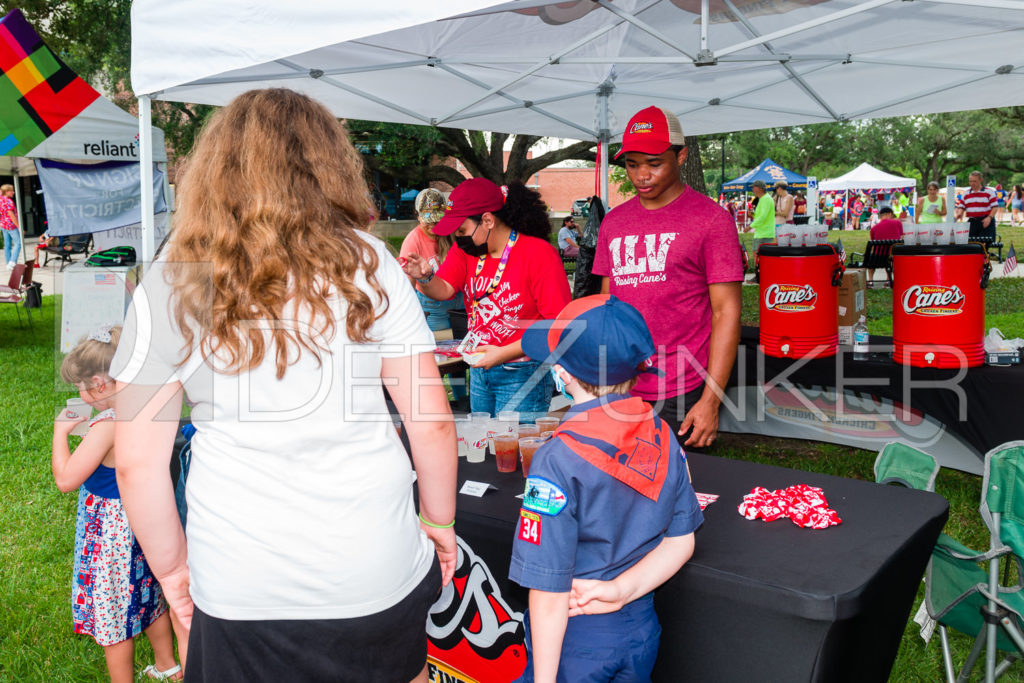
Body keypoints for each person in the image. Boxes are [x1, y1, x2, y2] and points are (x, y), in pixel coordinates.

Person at [111, 89, 457, 683]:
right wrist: (441, 523)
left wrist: (171, 572)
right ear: (328, 165)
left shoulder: (170, 281)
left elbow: (137, 463)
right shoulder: (371, 262)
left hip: (240, 576)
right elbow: (430, 419)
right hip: (373, 562)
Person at [509, 294, 702, 683]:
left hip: (573, 639)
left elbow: (548, 593)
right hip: (639, 629)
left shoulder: (556, 460)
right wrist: (621, 590)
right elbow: (681, 541)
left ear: (562, 371)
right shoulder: (662, 433)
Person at [592, 105, 743, 447]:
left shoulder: (711, 220)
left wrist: (710, 400)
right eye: (632, 164)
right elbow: (607, 306)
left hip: (683, 389)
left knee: (684, 492)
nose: (641, 175)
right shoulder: (614, 222)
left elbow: (726, 312)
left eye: (654, 163)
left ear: (682, 156)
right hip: (621, 386)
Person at [53, 326, 182, 683]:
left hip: (109, 531)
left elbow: (65, 479)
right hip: (141, 515)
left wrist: (60, 432)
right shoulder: (143, 405)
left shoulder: (106, 426)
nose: (79, 394)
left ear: (98, 384)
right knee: (146, 593)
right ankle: (168, 665)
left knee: (112, 617)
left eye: (80, 388)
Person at [402, 177, 571, 422]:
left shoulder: (538, 255)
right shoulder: (467, 251)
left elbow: (556, 325)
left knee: (513, 451)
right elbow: (445, 289)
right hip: (480, 369)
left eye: (462, 230)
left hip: (523, 370)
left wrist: (502, 353)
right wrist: (425, 277)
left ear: (488, 220)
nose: (458, 239)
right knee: (486, 448)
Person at [401, 188, 465, 331]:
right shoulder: (412, 241)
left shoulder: (453, 233)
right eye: (428, 220)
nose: (433, 225)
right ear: (417, 216)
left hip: (460, 300)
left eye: (437, 220)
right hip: (432, 306)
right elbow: (407, 283)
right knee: (438, 346)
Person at [956, 171, 998, 240]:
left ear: (980, 180)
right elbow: (961, 207)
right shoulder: (966, 194)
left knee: (984, 243)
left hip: (986, 220)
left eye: (974, 181)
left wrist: (989, 217)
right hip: (972, 222)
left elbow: (995, 207)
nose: (972, 183)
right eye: (970, 181)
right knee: (969, 243)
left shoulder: (989, 192)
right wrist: (959, 214)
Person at [748, 180, 776, 274]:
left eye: (753, 187)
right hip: (762, 232)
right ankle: (760, 274)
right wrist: (752, 214)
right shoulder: (763, 199)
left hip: (764, 233)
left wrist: (750, 226)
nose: (752, 189)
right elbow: (760, 216)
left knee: (757, 255)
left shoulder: (766, 199)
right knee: (758, 255)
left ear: (759, 188)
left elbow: (762, 217)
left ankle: (760, 275)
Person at [1, 183, 20, 269]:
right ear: (6, 192)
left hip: (3, 225)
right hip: (11, 226)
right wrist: (19, 226)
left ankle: (9, 263)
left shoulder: (1, 199)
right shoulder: (9, 201)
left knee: (7, 245)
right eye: (11, 191)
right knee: (18, 243)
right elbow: (11, 215)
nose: (13, 192)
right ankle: (12, 262)